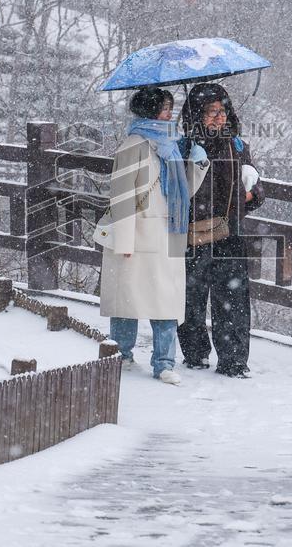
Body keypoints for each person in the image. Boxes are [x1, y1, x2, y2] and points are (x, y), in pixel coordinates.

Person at [99, 87, 209, 385]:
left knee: (167, 303)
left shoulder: (173, 146)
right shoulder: (133, 144)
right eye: (164, 108)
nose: (169, 114)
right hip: (138, 234)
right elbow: (121, 196)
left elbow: (183, 192)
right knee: (128, 301)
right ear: (149, 110)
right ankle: (120, 355)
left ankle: (164, 363)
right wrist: (123, 240)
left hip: (170, 232)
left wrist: (198, 163)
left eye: (170, 108)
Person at [177, 83, 265, 378]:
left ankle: (234, 361)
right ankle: (195, 354)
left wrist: (248, 194)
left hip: (230, 235)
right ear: (196, 114)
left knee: (233, 302)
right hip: (192, 235)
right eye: (210, 111)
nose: (218, 117)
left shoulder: (237, 146)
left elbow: (258, 192)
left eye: (223, 110)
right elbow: (179, 193)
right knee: (191, 300)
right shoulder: (185, 148)